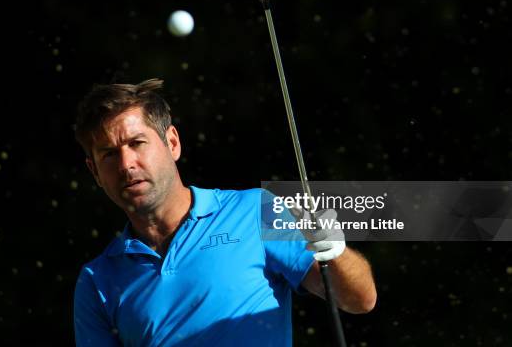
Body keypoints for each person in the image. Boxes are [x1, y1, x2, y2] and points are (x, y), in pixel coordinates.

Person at [73, 78, 376, 346]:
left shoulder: (256, 209)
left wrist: (336, 254)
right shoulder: (97, 279)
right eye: (109, 154)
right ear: (95, 172)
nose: (126, 164)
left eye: (137, 143)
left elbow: (359, 299)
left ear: (172, 143)